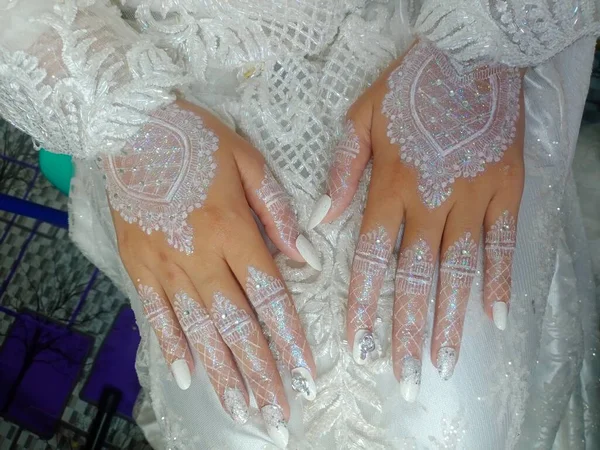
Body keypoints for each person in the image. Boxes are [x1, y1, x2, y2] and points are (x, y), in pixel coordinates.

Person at [1, 1, 599, 448]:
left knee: (456, 411)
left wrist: (489, 37)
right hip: (161, 63)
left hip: (433, 23)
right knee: (239, 420)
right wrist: (120, 117)